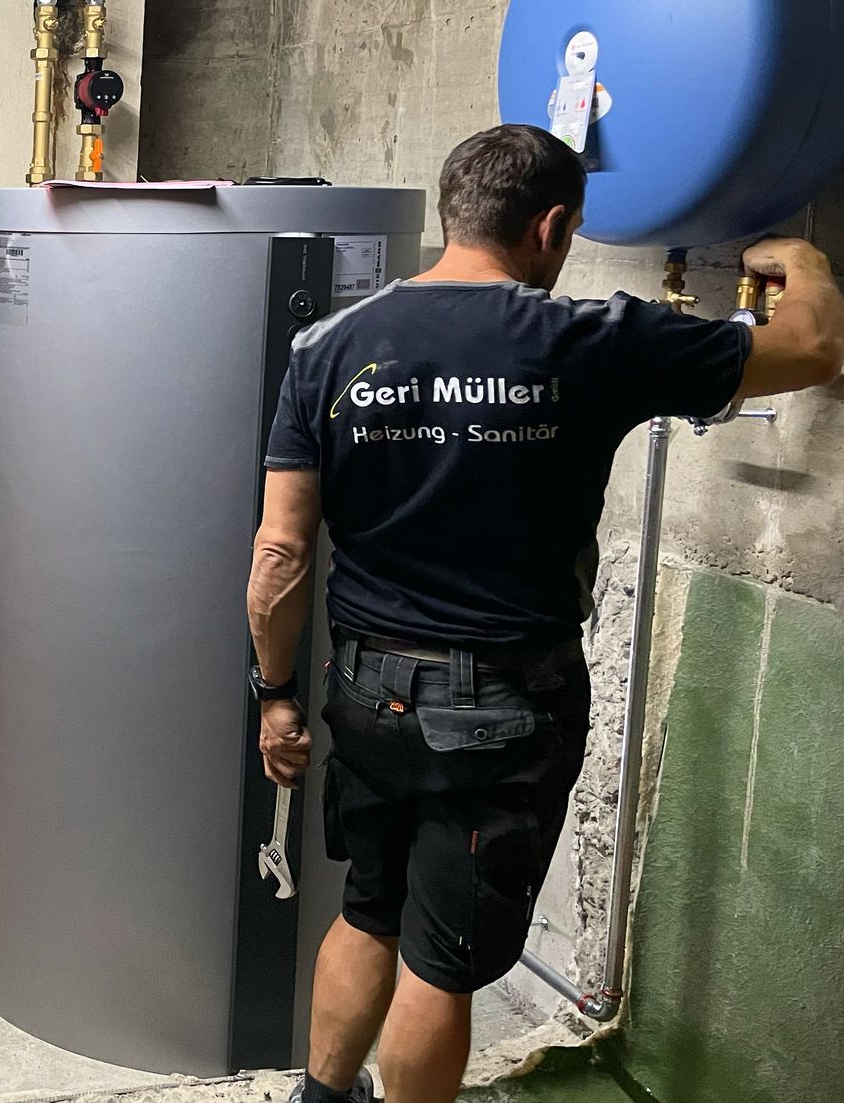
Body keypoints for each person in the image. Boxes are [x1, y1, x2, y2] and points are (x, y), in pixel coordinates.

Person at [246, 123, 844, 1103]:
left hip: (364, 689)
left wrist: (276, 696)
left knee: (368, 908)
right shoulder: (592, 341)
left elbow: (279, 555)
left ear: (453, 212)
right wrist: (804, 261)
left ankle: (322, 1097)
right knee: (441, 964)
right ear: (552, 226)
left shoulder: (327, 348)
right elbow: (814, 347)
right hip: (502, 710)